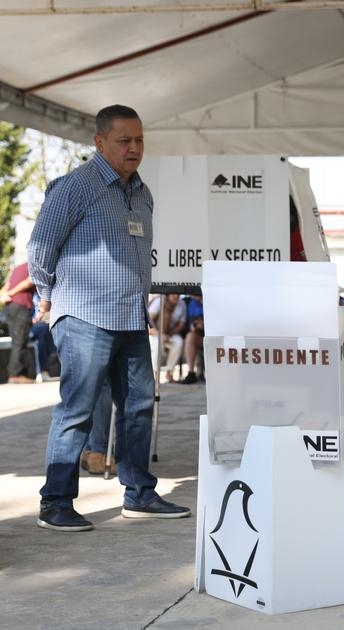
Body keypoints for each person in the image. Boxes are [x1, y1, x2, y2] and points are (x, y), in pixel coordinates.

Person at [27, 104, 190, 532]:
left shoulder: (142, 192)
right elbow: (40, 249)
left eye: (139, 140)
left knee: (138, 408)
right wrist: (49, 297)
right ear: (99, 143)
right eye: (124, 141)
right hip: (84, 317)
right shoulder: (75, 188)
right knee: (77, 410)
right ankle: (56, 502)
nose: (135, 148)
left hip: (130, 317)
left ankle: (138, 494)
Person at [1, 261, 37, 384]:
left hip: (11, 307)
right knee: (20, 341)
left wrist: (4, 294)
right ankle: (15, 374)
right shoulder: (33, 264)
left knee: (17, 340)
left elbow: (7, 285)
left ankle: (20, 372)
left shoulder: (17, 268)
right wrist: (10, 293)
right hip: (21, 306)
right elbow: (30, 281)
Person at [148, 293, 187, 383]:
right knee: (156, 344)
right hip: (155, 333)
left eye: (177, 294)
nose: (176, 296)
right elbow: (148, 322)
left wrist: (170, 334)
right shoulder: (159, 301)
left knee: (179, 342)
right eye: (173, 294)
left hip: (170, 334)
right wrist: (159, 335)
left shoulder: (182, 304)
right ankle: (155, 374)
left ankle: (169, 372)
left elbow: (181, 324)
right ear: (167, 295)